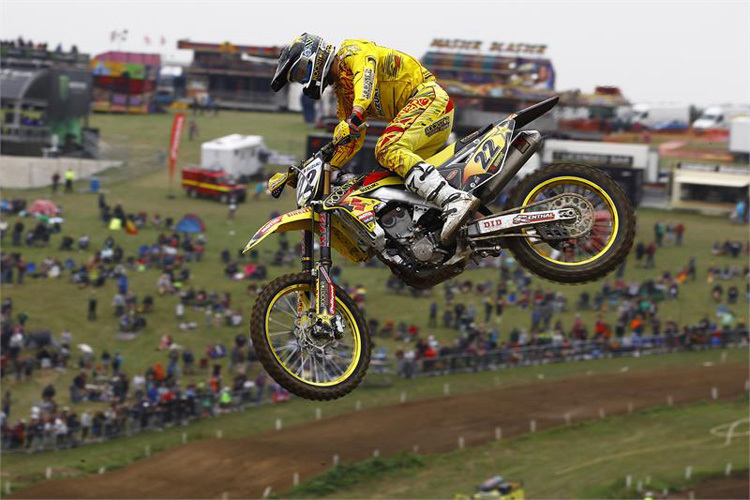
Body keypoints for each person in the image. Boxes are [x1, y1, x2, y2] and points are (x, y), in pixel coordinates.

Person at [271, 33, 477, 244]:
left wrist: (355, 115)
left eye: (301, 73)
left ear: (314, 58)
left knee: (387, 148)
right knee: (391, 179)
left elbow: (365, 78)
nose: (305, 81)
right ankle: (444, 228)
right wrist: (309, 173)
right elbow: (349, 142)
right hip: (425, 113)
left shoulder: (351, 51)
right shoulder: (344, 95)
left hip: (428, 98)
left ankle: (454, 200)